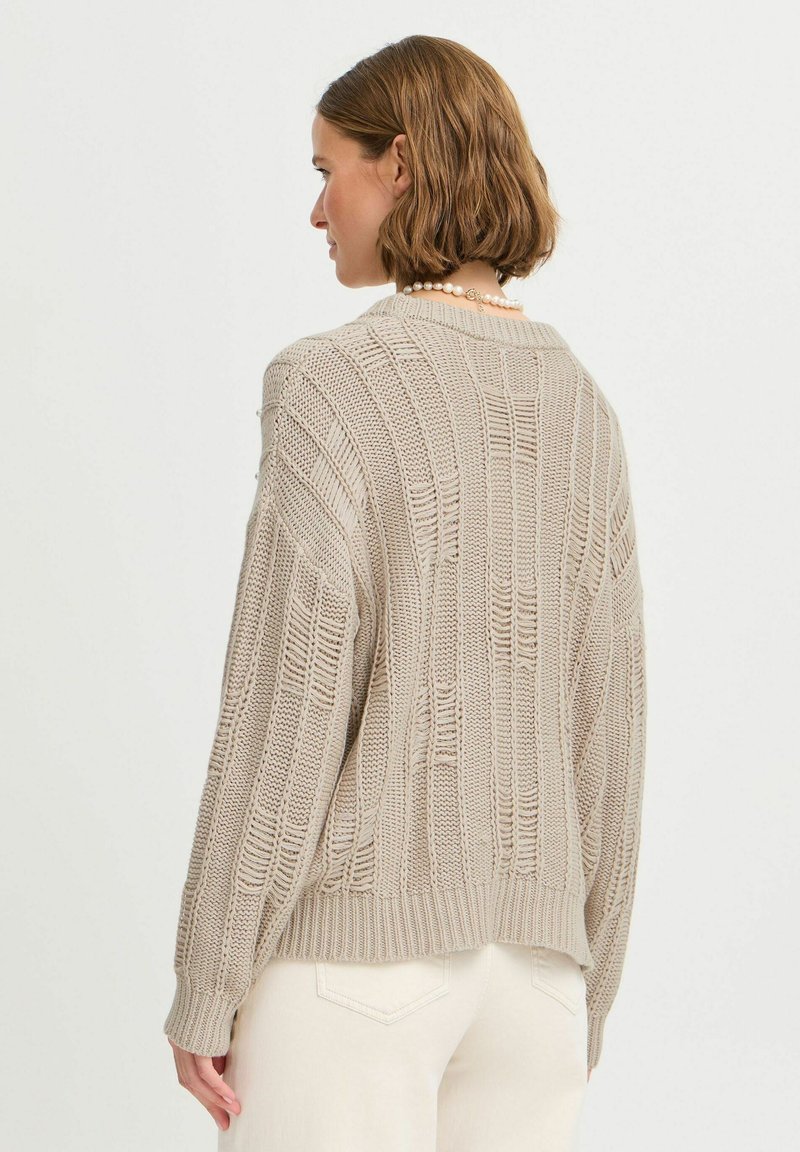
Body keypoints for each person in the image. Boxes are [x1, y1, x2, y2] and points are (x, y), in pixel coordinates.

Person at [163, 33, 648, 1152]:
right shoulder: (583, 407)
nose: (317, 210)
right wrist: (587, 991)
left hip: (355, 975)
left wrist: (207, 982)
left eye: (325, 169)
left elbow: (283, 714)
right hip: (538, 992)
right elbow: (609, 734)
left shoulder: (327, 384)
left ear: (400, 164)